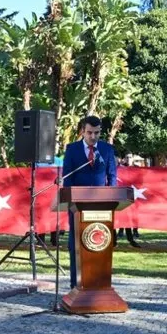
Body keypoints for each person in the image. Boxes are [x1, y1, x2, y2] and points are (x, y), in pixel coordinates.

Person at [61, 115, 118, 288]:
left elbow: (112, 176)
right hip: (78, 207)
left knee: (100, 241)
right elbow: (68, 178)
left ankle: (99, 285)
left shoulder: (107, 150)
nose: (93, 137)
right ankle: (75, 285)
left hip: (102, 208)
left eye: (97, 133)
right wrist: (71, 202)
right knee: (76, 244)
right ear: (82, 132)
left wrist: (112, 197)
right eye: (89, 133)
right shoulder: (72, 150)